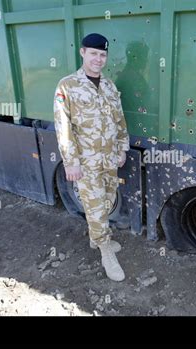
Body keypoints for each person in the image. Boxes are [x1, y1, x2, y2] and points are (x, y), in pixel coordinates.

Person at [53, 33, 130, 282]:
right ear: (83, 53)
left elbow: (119, 120)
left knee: (107, 202)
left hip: (109, 159)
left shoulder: (109, 86)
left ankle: (95, 236)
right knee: (95, 206)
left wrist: (122, 149)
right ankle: (105, 249)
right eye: (94, 53)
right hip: (85, 163)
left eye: (103, 54)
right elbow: (62, 126)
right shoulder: (68, 86)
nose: (99, 59)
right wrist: (70, 162)